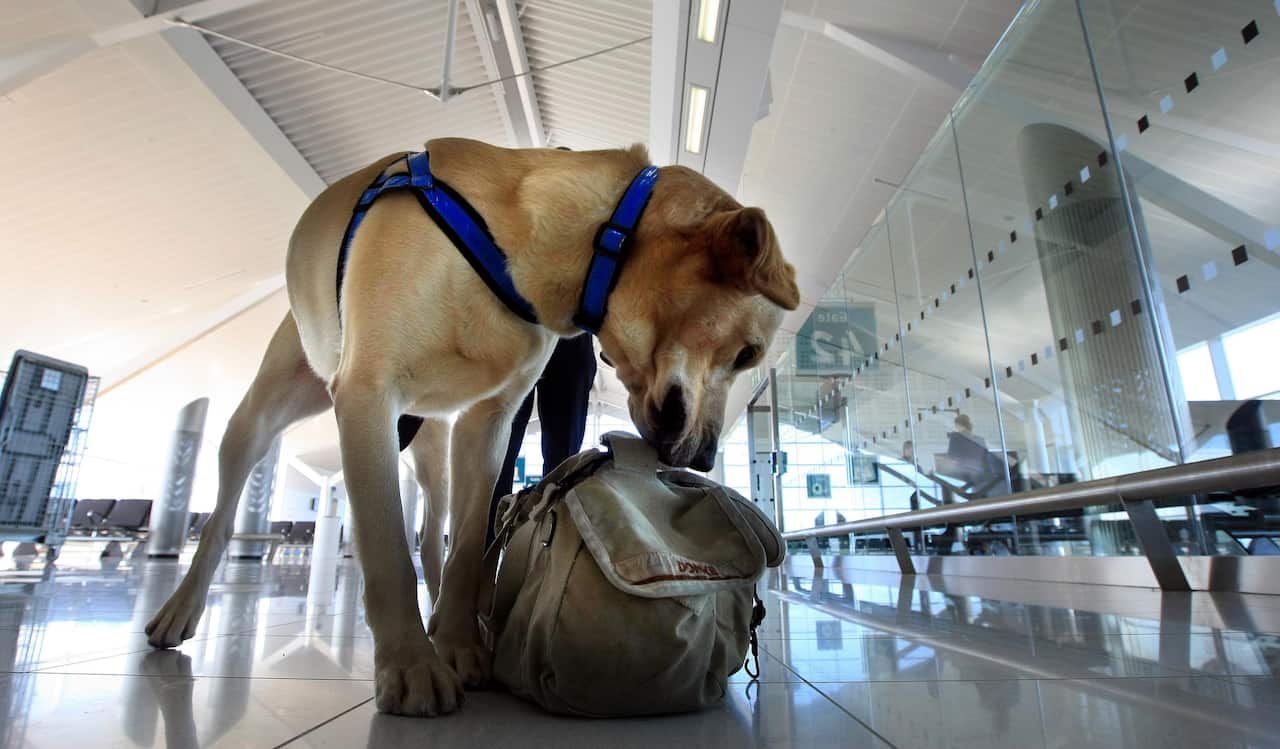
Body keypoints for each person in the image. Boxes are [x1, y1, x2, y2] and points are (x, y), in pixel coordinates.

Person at [487, 333, 597, 544]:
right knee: (496, 457)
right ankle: (484, 557)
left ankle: (550, 554)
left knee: (562, 466)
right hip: (518, 329)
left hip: (569, 335)